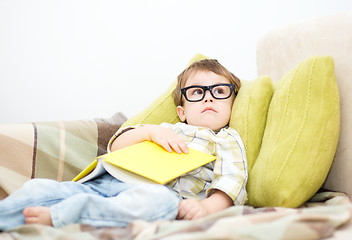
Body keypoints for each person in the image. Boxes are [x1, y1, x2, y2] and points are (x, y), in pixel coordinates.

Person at [0, 59, 247, 230]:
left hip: (157, 193)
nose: (209, 97)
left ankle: (64, 215)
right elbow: (115, 145)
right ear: (182, 112)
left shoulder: (226, 139)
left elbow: (231, 182)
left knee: (159, 204)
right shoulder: (166, 128)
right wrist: (150, 132)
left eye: (219, 91)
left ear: (232, 102)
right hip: (107, 181)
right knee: (38, 190)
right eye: (197, 92)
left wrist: (205, 209)